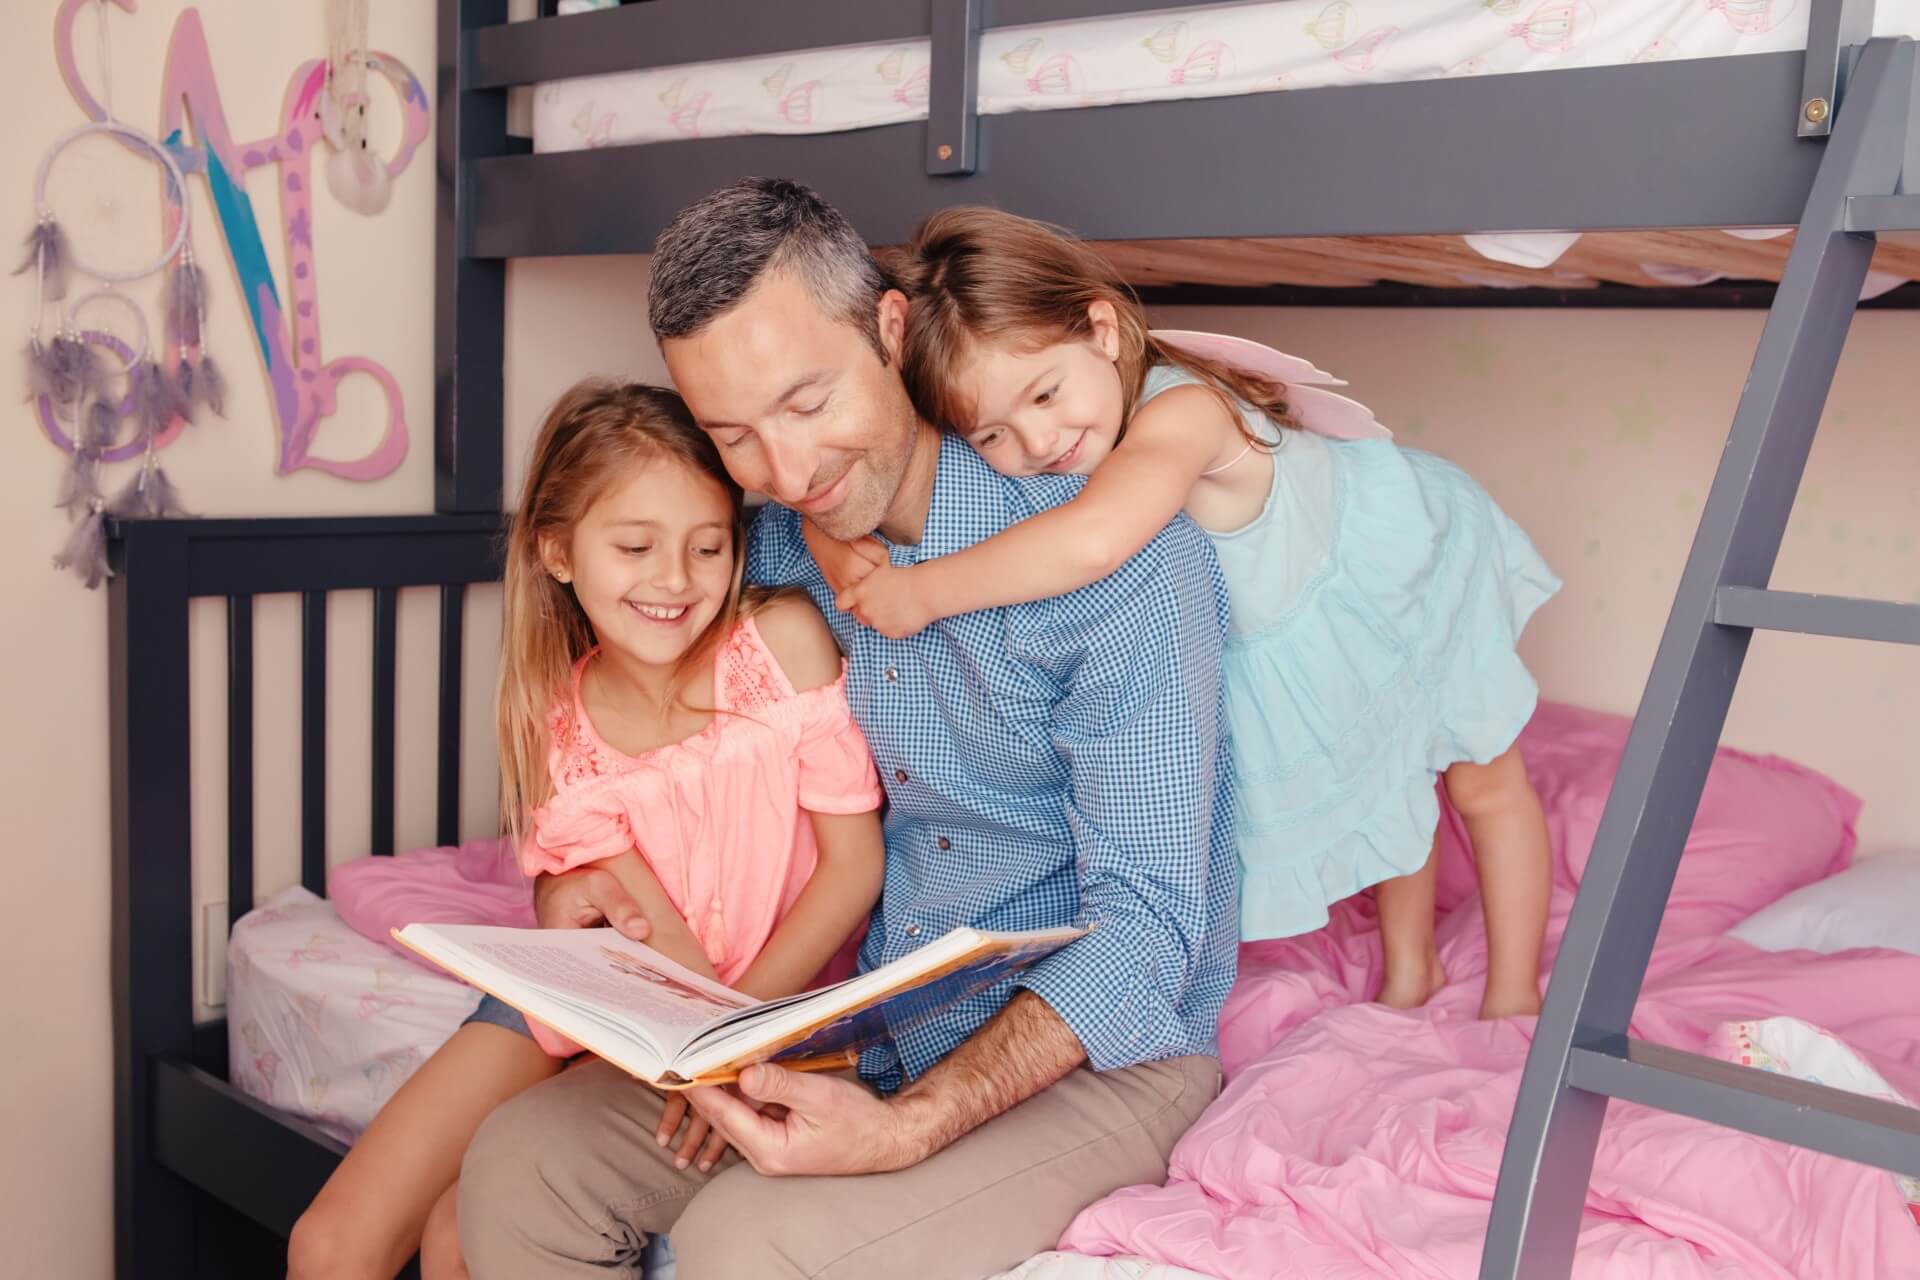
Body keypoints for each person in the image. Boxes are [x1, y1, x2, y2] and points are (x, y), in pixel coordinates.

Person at [455, 179, 1237, 1279]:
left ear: (889, 326)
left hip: (1095, 1055)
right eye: (736, 436)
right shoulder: (768, 547)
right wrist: (574, 895)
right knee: (520, 1162)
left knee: (746, 1242)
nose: (786, 471)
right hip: (865, 1015)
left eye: (808, 401)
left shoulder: (1125, 566)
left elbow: (1148, 926)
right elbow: (636, 736)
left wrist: (911, 1123)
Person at [821, 205, 1559, 1020]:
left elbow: (1096, 539)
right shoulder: (1083, 426)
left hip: (1394, 577)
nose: (1036, 442)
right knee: (1379, 778)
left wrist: (921, 592)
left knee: (1484, 783)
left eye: (1044, 393)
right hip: (1294, 626)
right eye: (993, 434)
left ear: (1102, 330)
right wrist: (839, 544)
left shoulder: (1185, 412)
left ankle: (1514, 993)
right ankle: (1411, 971)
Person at [287, 380, 884, 1279]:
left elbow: (852, 868)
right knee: (328, 1246)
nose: (675, 579)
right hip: (616, 992)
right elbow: (649, 933)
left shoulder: (780, 648)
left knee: (459, 1233)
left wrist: (730, 1043)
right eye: (636, 546)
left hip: (751, 1002)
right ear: (558, 552)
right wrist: (681, 1032)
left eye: (709, 545)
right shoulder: (562, 717)